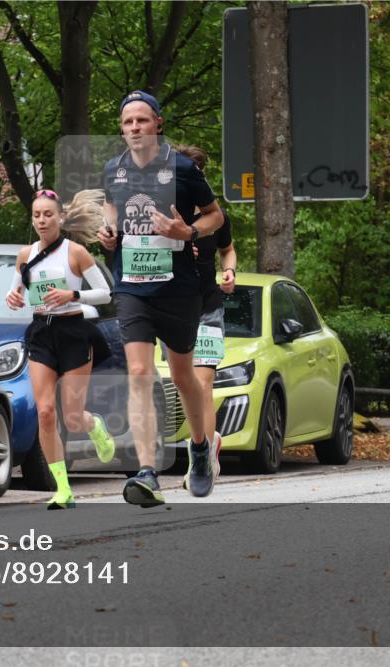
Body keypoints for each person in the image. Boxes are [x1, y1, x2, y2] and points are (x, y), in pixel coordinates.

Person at [96, 90, 225, 505]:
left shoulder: (182, 168)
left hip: (178, 289)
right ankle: (147, 472)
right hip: (131, 287)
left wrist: (188, 231)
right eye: (128, 122)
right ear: (122, 129)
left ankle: (200, 448)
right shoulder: (113, 170)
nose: (135, 127)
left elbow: (216, 216)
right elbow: (110, 209)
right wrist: (108, 233)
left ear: (158, 124)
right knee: (138, 372)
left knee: (184, 376)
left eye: (142, 120)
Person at [6, 189, 117, 509]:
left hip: (73, 333)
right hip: (42, 332)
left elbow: (105, 293)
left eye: (48, 214)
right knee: (45, 412)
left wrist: (72, 296)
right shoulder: (25, 255)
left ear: (61, 217)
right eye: (37, 215)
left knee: (72, 417)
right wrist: (13, 298)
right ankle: (63, 489)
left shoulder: (76, 252)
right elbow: (15, 293)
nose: (42, 220)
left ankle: (94, 425)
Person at [173, 144, 237, 490]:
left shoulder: (217, 216)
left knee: (203, 385)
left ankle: (203, 460)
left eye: (195, 173)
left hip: (209, 306)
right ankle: (208, 440)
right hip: (175, 307)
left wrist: (229, 272)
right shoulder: (168, 213)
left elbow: (228, 250)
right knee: (185, 385)